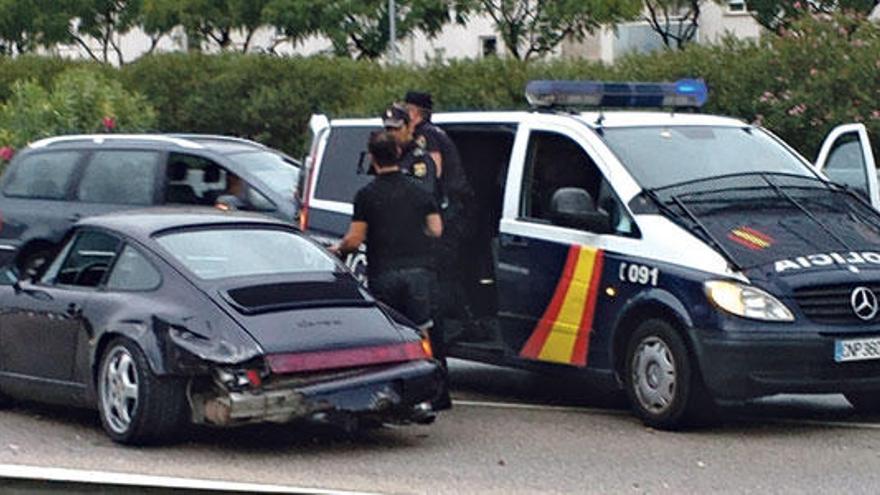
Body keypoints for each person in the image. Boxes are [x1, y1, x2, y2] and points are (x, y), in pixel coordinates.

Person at [331, 130, 446, 361]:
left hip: (385, 273)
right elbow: (436, 229)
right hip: (419, 273)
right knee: (422, 330)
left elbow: (354, 240)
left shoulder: (366, 195)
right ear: (398, 152)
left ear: (372, 158)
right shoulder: (420, 191)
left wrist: (337, 250)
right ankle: (433, 377)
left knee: (392, 333)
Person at [404, 91, 479, 339]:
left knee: (442, 271)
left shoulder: (425, 135)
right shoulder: (436, 132)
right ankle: (467, 323)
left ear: (415, 112)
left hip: (447, 212)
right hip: (455, 209)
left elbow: (432, 171)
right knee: (448, 270)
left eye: (407, 109)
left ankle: (449, 328)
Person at [382, 103, 441, 203]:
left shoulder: (419, 158)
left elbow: (425, 192)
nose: (392, 134)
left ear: (409, 127)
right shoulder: (387, 156)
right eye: (389, 129)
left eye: (397, 128)